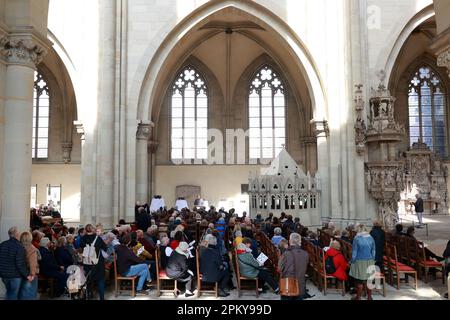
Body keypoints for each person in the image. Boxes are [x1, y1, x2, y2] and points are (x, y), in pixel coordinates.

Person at [0, 227, 31, 300]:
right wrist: (27, 275)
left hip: (4, 275)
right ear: (16, 235)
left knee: (9, 292)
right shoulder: (19, 247)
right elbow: (20, 264)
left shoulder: (2, 244)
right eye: (19, 233)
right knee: (13, 294)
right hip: (15, 276)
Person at [80, 224, 107, 300]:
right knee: (100, 280)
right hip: (97, 262)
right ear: (93, 229)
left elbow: (81, 247)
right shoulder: (98, 238)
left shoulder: (82, 239)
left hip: (87, 262)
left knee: (88, 279)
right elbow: (104, 248)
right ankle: (102, 298)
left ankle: (88, 296)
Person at [349, 224, 376, 300]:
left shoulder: (356, 238)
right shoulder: (371, 238)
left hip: (359, 261)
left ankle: (358, 297)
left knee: (359, 280)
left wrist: (352, 261)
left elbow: (354, 252)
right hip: (370, 260)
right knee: (369, 280)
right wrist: (373, 259)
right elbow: (374, 250)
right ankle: (369, 297)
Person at [278, 233, 309, 300]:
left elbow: (279, 268)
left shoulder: (286, 254)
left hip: (287, 285)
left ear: (290, 241)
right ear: (300, 241)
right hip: (300, 284)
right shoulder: (305, 254)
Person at [19, 231, 39, 300]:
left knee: (22, 294)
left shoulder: (19, 247)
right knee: (30, 294)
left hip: (21, 273)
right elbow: (32, 263)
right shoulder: (31, 249)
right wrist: (32, 274)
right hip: (30, 274)